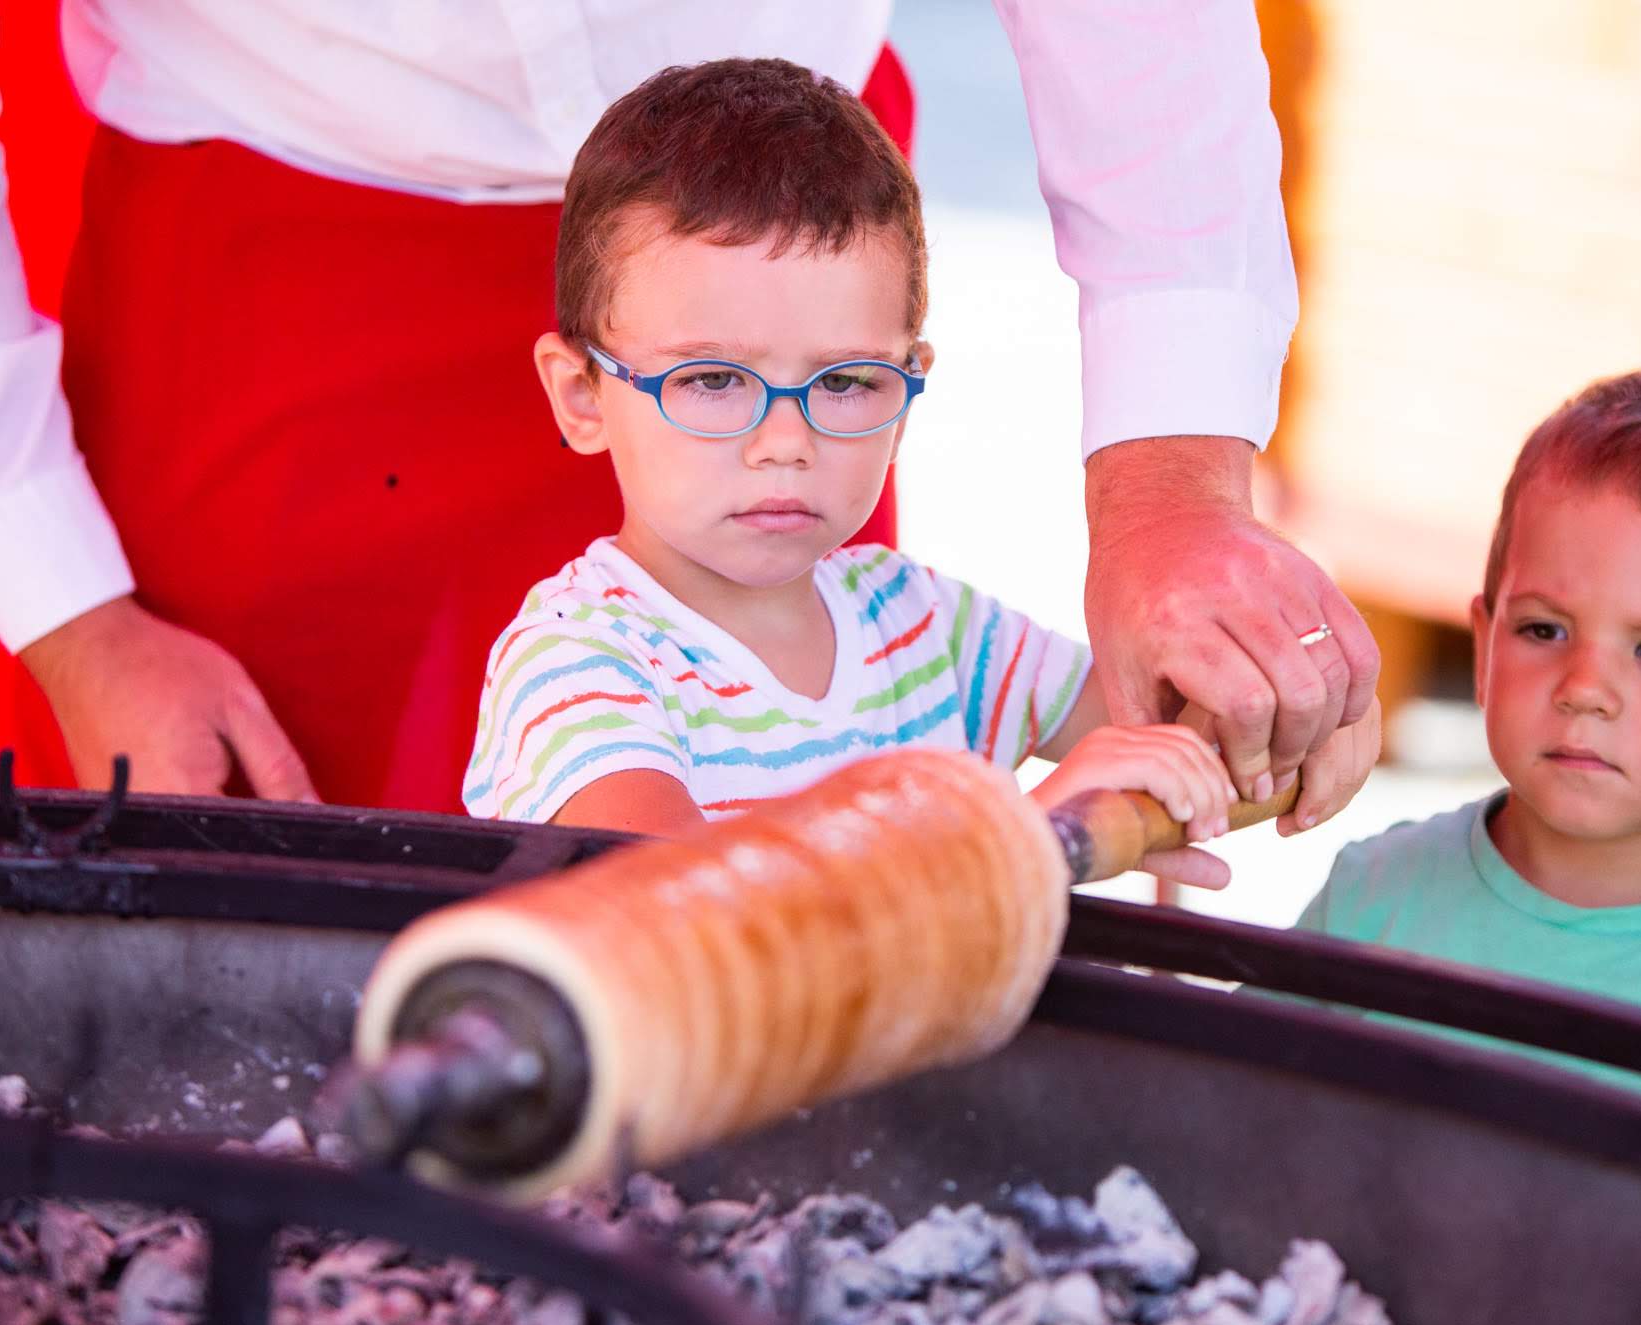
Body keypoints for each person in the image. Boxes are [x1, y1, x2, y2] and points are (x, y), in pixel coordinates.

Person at [0, 1, 1376, 814]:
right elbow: (660, 902)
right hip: (263, 283)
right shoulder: (578, 677)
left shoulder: (898, 600)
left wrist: (1177, 519)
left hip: (786, 251)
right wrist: (72, 615)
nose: (796, 447)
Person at [465, 59, 1382, 891]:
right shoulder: (577, 667)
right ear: (582, 395)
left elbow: (1169, 729)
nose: (784, 441)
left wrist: (1298, 713)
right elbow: (692, 919)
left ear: (907, 390)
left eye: (848, 381)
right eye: (711, 379)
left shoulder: (928, 627)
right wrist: (1023, 839)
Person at [1294, 363, 1641, 1093]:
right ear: (1485, 643)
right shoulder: (1373, 900)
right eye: (1543, 628)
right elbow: (1214, 1134)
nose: (1585, 688)